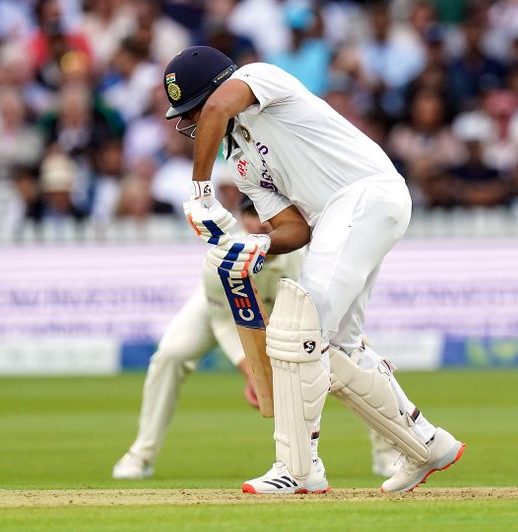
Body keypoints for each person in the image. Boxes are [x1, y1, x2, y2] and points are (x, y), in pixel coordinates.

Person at [163, 46, 464, 494]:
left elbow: (221, 105)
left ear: (215, 92)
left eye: (194, 109)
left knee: (297, 328)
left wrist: (200, 191)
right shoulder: (239, 160)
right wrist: (256, 243)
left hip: (365, 193)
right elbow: (293, 228)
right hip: (334, 221)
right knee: (339, 346)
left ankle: (299, 469)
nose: (191, 122)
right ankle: (427, 444)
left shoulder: (261, 79)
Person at [112, 199, 400, 480]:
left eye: (268, 214)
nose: (261, 223)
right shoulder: (223, 256)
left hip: (289, 312)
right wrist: (255, 375)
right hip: (223, 311)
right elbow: (225, 323)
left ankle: (387, 454)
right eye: (252, 214)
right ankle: (140, 455)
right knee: (171, 355)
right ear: (241, 218)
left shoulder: (303, 260)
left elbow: (316, 322)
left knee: (357, 351)